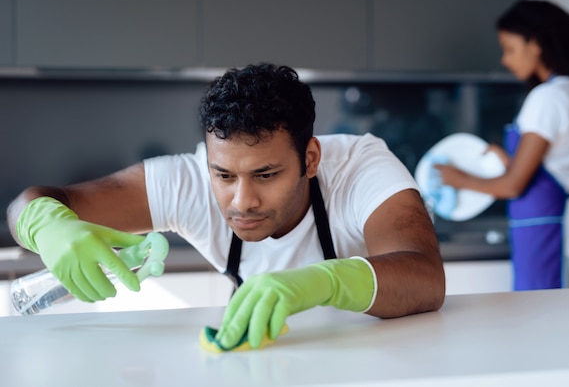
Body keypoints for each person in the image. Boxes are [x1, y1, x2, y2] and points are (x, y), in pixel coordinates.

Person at [7, 63, 445, 350]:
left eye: (266, 175)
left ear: (310, 159)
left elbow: (424, 276)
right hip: (267, 359)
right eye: (225, 175)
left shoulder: (360, 166)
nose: (242, 202)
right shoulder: (188, 181)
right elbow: (27, 204)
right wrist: (48, 226)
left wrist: (324, 282)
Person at [435, 0, 569, 290]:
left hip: (554, 239)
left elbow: (514, 186)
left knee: (545, 332)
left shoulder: (547, 97)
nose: (505, 59)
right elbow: (562, 170)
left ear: (535, 44)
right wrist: (509, 162)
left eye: (510, 48)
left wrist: (457, 179)